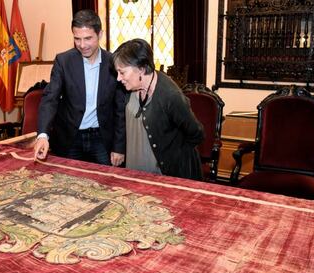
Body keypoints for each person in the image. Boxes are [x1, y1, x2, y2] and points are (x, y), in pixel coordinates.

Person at [34, 9, 126, 167]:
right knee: (67, 185)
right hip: (70, 138)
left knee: (108, 186)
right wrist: (43, 135)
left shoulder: (113, 63)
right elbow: (50, 99)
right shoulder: (63, 61)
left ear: (100, 35)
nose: (82, 45)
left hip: (102, 139)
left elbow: (120, 109)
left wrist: (119, 147)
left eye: (88, 38)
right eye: (77, 39)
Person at [112, 38, 204, 180]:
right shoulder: (129, 87)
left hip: (165, 176)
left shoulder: (171, 96)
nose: (118, 78)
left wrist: (172, 154)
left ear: (141, 69)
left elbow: (196, 133)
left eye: (122, 72)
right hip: (135, 171)